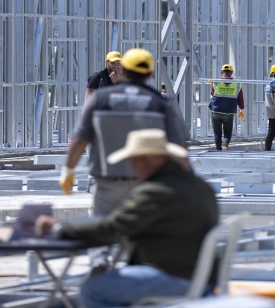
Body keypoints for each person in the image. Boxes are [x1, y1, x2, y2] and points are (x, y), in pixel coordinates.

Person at [36, 129, 218, 308]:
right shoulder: (199, 186)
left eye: (132, 161)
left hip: (176, 275)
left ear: (143, 161)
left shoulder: (157, 190)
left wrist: (59, 228)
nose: (131, 167)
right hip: (200, 275)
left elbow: (115, 227)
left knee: (93, 290)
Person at [59, 48, 189, 275]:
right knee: (144, 226)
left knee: (102, 221)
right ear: (149, 75)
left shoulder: (100, 98)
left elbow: (79, 139)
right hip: (146, 182)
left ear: (123, 70)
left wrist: (68, 170)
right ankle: (139, 268)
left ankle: (100, 262)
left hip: (108, 178)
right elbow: (179, 148)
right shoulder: (160, 103)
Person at [208, 64, 245, 150]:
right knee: (228, 131)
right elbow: (240, 98)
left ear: (221, 72)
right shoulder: (237, 84)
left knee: (217, 133)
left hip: (216, 111)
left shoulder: (216, 82)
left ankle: (218, 149)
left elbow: (212, 94)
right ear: (232, 73)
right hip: (229, 111)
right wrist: (241, 109)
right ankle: (225, 143)